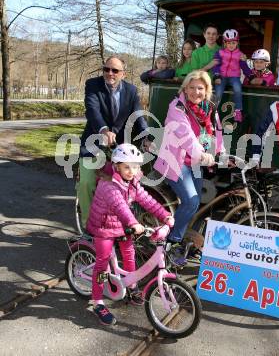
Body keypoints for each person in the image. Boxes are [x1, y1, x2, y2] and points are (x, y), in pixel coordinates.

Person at [86, 143, 174, 326]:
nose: (131, 171)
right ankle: (97, 302)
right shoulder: (108, 184)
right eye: (126, 166)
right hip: (104, 226)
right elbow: (119, 205)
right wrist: (134, 223)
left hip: (123, 224)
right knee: (102, 264)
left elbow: (146, 200)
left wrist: (164, 215)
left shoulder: (133, 181)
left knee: (129, 252)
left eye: (135, 166)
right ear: (116, 165)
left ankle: (132, 286)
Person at [154, 70, 224, 266]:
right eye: (191, 87)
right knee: (191, 200)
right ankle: (172, 242)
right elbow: (186, 136)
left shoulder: (209, 107)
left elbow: (216, 133)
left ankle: (178, 236)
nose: (196, 92)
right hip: (175, 162)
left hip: (194, 163)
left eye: (200, 88)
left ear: (207, 90)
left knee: (195, 202)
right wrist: (202, 155)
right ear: (185, 88)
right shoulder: (177, 107)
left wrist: (222, 152)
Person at [78, 56, 148, 227]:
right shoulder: (93, 85)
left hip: (120, 147)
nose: (110, 73)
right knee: (87, 183)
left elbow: (137, 115)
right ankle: (88, 226)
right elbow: (92, 110)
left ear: (123, 74)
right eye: (106, 69)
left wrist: (146, 137)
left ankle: (122, 223)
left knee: (129, 183)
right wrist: (103, 129)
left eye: (115, 70)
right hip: (94, 142)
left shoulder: (131, 91)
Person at [212, 29, 253, 122]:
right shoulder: (219, 53)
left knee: (237, 89)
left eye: (233, 43)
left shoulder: (240, 54)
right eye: (229, 43)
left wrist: (251, 75)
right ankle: (214, 111)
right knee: (218, 92)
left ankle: (238, 111)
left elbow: (244, 67)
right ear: (224, 43)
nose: (231, 45)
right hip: (221, 76)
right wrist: (217, 75)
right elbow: (216, 65)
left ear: (237, 43)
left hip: (234, 77)